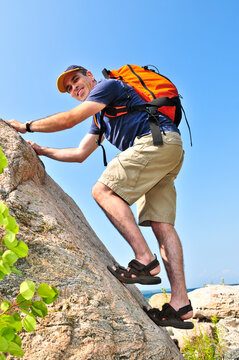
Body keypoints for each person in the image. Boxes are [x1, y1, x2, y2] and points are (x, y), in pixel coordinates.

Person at [6, 65, 193, 329]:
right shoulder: (100, 119)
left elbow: (70, 119)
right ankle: (180, 304)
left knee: (102, 190)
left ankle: (144, 260)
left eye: (76, 80)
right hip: (167, 148)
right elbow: (80, 153)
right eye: (69, 89)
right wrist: (41, 150)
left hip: (153, 142)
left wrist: (26, 126)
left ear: (90, 76)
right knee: (162, 225)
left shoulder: (109, 87)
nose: (74, 88)